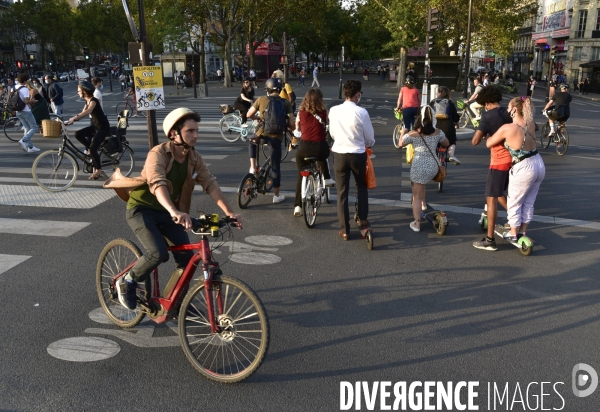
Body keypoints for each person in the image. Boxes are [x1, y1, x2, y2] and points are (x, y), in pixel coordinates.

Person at [111, 108, 241, 310]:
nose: (196, 135)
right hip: (142, 208)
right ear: (174, 133)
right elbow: (157, 183)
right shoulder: (159, 153)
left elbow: (210, 184)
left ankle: (174, 299)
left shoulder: (194, 157)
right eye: (190, 131)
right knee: (158, 253)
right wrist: (175, 211)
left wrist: (229, 211)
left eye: (196, 130)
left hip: (167, 212)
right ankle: (128, 280)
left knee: (187, 260)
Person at [486, 96, 544, 241]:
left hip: (523, 167)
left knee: (514, 201)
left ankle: (513, 233)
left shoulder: (508, 128)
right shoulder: (530, 123)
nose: (506, 110)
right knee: (529, 201)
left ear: (514, 110)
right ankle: (523, 231)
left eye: (508, 107)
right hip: (538, 162)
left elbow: (489, 143)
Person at [329, 80, 375, 240]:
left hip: (340, 153)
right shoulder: (362, 113)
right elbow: (369, 138)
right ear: (357, 94)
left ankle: (345, 229)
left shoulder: (333, 111)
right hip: (357, 154)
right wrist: (367, 144)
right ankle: (362, 220)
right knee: (361, 187)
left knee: (342, 192)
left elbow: (332, 133)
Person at [471, 85, 513, 251]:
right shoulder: (508, 112)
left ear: (486, 102)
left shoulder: (487, 116)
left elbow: (475, 141)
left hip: (499, 161)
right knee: (499, 193)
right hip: (514, 160)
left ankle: (490, 240)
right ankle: (515, 217)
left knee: (491, 198)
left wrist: (481, 130)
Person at [400, 106, 449, 232]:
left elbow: (400, 144)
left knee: (416, 195)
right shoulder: (438, 132)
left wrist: (402, 132)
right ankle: (423, 203)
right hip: (434, 166)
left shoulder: (413, 134)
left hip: (419, 166)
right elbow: (446, 143)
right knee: (422, 183)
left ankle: (416, 224)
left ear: (419, 118)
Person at [246, 77, 295, 203]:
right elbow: (292, 123)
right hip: (276, 137)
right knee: (275, 166)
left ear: (267, 89)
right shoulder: (286, 103)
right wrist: (287, 125)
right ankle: (276, 195)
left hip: (261, 134)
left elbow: (248, 115)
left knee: (252, 141)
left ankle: (252, 167)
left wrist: (258, 117)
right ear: (279, 89)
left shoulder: (261, 99)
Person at [293, 88, 334, 217]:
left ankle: (298, 206)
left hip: (304, 148)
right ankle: (326, 178)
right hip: (320, 146)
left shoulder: (301, 112)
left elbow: (297, 130)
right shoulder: (324, 112)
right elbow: (329, 127)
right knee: (322, 154)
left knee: (301, 175)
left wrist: (299, 133)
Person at [68, 81, 111, 180]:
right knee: (78, 134)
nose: (78, 92)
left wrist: (75, 118)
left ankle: (98, 171)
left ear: (85, 91)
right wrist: (72, 120)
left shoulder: (93, 101)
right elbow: (83, 112)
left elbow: (88, 111)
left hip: (103, 127)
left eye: (79, 91)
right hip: (96, 126)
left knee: (93, 148)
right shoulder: (87, 101)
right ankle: (90, 150)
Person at [429, 86, 461, 165]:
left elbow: (428, 113)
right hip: (448, 126)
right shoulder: (450, 102)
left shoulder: (433, 102)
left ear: (439, 93)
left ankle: (433, 157)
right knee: (452, 141)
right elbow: (455, 116)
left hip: (435, 126)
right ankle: (451, 155)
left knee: (434, 141)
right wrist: (457, 124)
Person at [13, 73, 40, 153]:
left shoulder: (14, 87)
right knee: (34, 127)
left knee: (27, 128)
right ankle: (23, 140)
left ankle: (30, 147)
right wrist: (33, 101)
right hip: (25, 111)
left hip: (18, 111)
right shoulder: (24, 89)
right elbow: (26, 101)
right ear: (25, 80)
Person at [395, 75, 420, 141]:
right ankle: (415, 138)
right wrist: (419, 108)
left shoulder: (403, 89)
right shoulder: (416, 90)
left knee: (407, 127)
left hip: (407, 109)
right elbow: (419, 100)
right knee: (415, 125)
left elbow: (400, 99)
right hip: (415, 109)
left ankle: (402, 141)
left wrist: (398, 107)